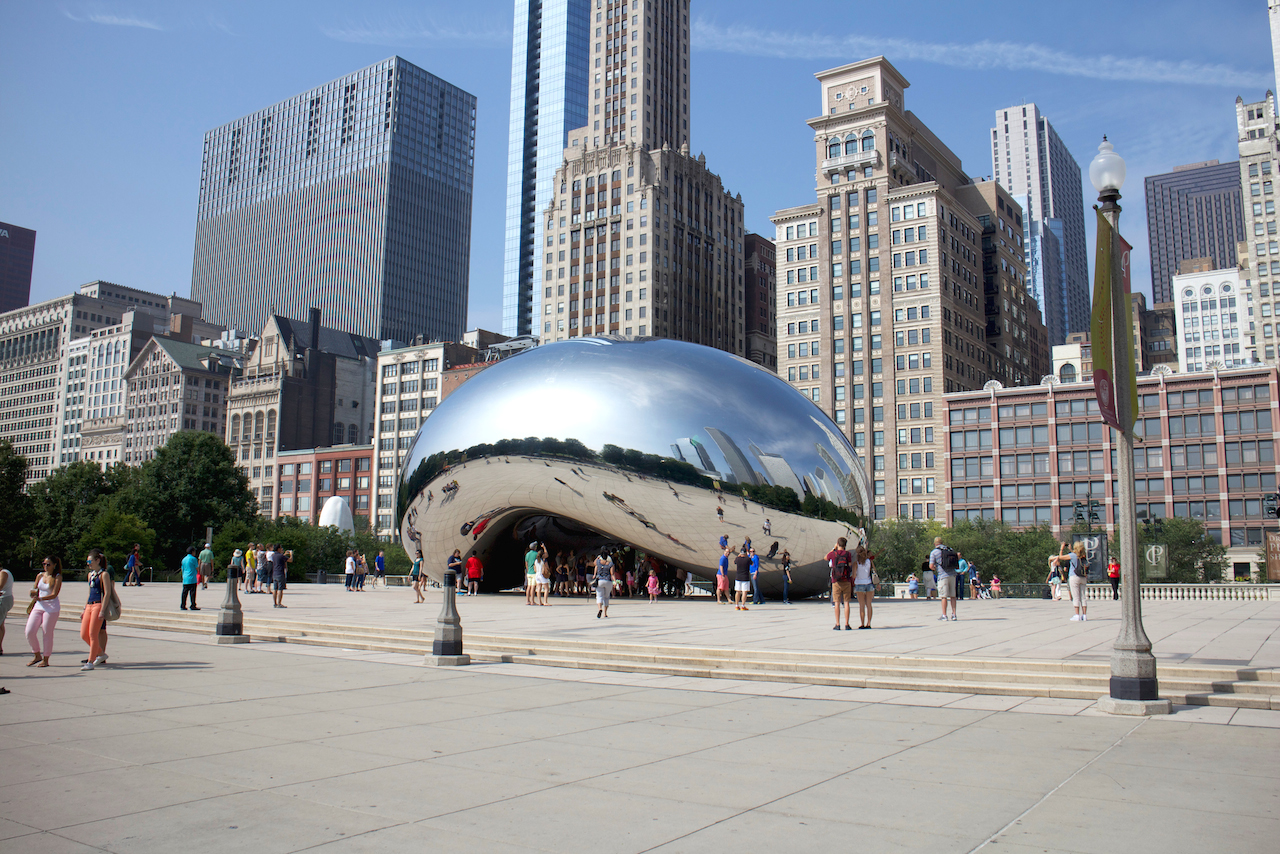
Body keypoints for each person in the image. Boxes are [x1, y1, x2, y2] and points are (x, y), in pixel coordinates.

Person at [79, 549, 113, 671]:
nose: (88, 563)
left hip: (98, 605)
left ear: (97, 560)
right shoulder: (90, 575)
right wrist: (84, 608)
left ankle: (90, 661)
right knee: (84, 634)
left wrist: (103, 610)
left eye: (90, 561)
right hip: (89, 605)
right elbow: (89, 592)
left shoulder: (104, 574)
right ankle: (100, 653)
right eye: (87, 561)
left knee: (93, 634)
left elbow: (107, 592)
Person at [26, 557, 62, 667]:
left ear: (54, 565)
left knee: (47, 632)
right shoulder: (40, 575)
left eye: (48, 564)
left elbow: (54, 594)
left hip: (51, 607)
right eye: (44, 564)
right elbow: (35, 589)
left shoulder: (57, 577)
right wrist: (33, 593)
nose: (45, 566)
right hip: (38, 606)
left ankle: (46, 659)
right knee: (29, 631)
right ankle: (37, 654)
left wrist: (41, 598)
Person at [929, 536, 958, 622]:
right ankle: (954, 614)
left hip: (942, 576)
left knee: (943, 596)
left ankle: (944, 615)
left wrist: (936, 568)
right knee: (953, 596)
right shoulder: (950, 550)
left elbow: (931, 566)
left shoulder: (934, 552)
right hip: (952, 575)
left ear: (935, 544)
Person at [827, 536, 853, 630]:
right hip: (846, 581)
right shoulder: (848, 554)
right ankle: (847, 624)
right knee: (846, 603)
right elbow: (850, 566)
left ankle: (837, 624)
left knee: (836, 603)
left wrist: (834, 548)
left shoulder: (834, 554)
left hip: (836, 581)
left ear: (837, 544)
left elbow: (826, 557)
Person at [1063, 542, 1089, 621]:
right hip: (1083, 577)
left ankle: (1077, 615)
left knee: (1076, 597)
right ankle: (1084, 615)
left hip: (1074, 576)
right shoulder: (1083, 556)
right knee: (1083, 596)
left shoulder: (1072, 555)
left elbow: (1061, 557)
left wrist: (1061, 548)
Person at [853, 543, 875, 629]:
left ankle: (862, 623)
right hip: (868, 583)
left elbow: (854, 575)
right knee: (869, 604)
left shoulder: (856, 563)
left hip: (859, 584)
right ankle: (869, 623)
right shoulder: (869, 561)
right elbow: (873, 571)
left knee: (861, 605)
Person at [594, 550, 614, 618]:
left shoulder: (598, 562)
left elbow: (594, 563)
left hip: (600, 581)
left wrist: (597, 557)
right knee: (606, 597)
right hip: (608, 581)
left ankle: (600, 609)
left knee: (599, 596)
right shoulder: (610, 564)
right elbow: (612, 574)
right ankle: (605, 613)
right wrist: (615, 581)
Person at [733, 547, 752, 611]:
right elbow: (752, 563)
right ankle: (743, 606)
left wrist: (739, 556)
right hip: (745, 577)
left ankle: (736, 605)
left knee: (738, 592)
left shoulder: (737, 559)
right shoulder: (748, 559)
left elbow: (734, 562)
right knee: (744, 592)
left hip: (738, 577)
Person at [0, 564, 12, 655]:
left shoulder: (3, 573)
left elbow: (0, 586)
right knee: (1, 624)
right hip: (5, 599)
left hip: (3, 599)